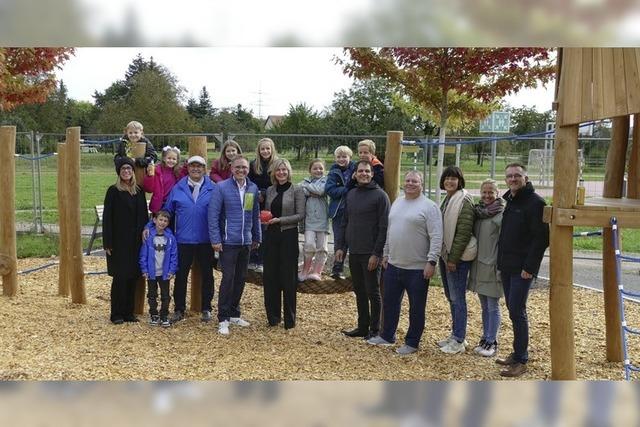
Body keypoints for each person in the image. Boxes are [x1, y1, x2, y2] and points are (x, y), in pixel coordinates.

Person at [367, 170, 442, 355]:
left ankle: (412, 342)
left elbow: (436, 236)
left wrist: (432, 261)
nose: (410, 184)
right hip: (393, 264)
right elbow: (390, 230)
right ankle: (387, 335)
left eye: (415, 181)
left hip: (417, 268)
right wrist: (385, 253)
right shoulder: (398, 202)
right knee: (390, 303)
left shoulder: (429, 207)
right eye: (407, 180)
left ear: (422, 184)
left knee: (416, 307)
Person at [496, 163, 549, 377]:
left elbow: (542, 238)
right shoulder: (510, 199)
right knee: (512, 309)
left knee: (518, 312)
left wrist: (530, 267)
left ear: (525, 177)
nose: (513, 179)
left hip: (522, 269)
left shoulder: (534, 203)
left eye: (517, 175)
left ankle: (521, 360)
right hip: (508, 266)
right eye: (509, 176)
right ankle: (517, 354)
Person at [335, 160, 390, 340]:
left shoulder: (381, 196)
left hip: (370, 253)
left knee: (373, 291)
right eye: (361, 171)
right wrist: (341, 247)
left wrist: (377, 253)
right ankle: (362, 326)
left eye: (367, 171)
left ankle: (375, 329)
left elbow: (384, 227)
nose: (364, 174)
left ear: (372, 174)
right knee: (359, 290)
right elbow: (345, 222)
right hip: (354, 251)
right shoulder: (351, 194)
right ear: (355, 174)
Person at [208, 155, 261, 336]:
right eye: (237, 167)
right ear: (231, 168)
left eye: (244, 168)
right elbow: (213, 215)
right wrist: (215, 239)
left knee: (240, 278)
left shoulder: (252, 188)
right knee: (228, 279)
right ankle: (223, 318)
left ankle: (234, 313)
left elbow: (255, 215)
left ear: (248, 169)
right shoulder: (221, 188)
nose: (241, 170)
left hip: (245, 241)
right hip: (228, 242)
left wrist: (256, 236)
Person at [161, 155, 217, 323]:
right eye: (192, 166)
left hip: (205, 240)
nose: (196, 169)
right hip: (183, 240)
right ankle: (179, 309)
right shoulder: (178, 188)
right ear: (188, 168)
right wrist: (157, 230)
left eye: (199, 166)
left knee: (207, 275)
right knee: (181, 275)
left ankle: (206, 308)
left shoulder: (213, 188)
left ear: (204, 169)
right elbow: (167, 212)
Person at [103, 157, 149, 324]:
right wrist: (107, 241)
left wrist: (146, 231)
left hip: (136, 241)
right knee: (120, 278)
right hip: (119, 241)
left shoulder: (138, 191)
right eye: (123, 169)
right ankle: (116, 313)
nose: (127, 172)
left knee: (133, 277)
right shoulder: (113, 191)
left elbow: (144, 214)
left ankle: (129, 312)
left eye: (129, 169)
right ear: (119, 172)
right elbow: (107, 218)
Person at [437, 166, 476, 354]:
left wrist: (453, 259)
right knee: (451, 297)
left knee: (457, 298)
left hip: (457, 257)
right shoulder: (449, 199)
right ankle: (455, 334)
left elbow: (463, 232)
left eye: (453, 179)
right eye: (447, 178)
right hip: (446, 255)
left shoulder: (464, 200)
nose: (450, 181)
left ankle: (459, 339)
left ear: (460, 181)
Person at [263, 158, 305, 329]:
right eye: (278, 170)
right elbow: (266, 211)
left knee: (288, 278)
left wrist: (280, 220)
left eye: (284, 170)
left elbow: (300, 215)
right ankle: (273, 318)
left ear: (289, 172)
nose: (281, 173)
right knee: (270, 276)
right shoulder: (270, 190)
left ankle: (290, 319)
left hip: (288, 235)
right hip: (271, 236)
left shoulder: (297, 190)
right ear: (274, 172)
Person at [468, 179, 505, 357]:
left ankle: (492, 341)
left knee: (492, 305)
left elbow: (505, 243)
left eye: (491, 192)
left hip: (492, 265)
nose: (487, 195)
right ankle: (485, 337)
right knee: (484, 306)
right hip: (479, 265)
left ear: (497, 193)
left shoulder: (501, 215)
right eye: (484, 192)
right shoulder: (480, 213)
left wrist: (500, 266)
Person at [139, 210, 178, 327]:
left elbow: (174, 256)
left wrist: (172, 270)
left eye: (165, 221)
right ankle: (154, 314)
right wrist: (144, 269)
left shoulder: (170, 238)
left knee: (165, 295)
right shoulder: (149, 237)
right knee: (152, 295)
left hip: (165, 273)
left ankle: (164, 315)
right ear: (155, 220)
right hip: (151, 272)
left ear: (168, 223)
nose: (162, 222)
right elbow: (143, 255)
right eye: (160, 219)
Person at [325, 145, 356, 280]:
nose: (341, 159)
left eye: (344, 156)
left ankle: (355, 269)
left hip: (354, 209)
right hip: (339, 210)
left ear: (350, 157)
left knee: (353, 239)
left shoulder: (355, 169)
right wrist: (346, 188)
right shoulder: (333, 172)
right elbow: (330, 190)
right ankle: (337, 268)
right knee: (339, 239)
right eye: (339, 157)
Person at [248, 137, 279, 273]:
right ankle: (251, 258)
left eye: (268, 148)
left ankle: (261, 260)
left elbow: (278, 183)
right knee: (251, 227)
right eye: (262, 148)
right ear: (258, 150)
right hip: (253, 198)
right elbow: (248, 181)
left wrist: (264, 194)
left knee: (265, 231)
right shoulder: (253, 164)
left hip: (269, 200)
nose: (265, 151)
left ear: (272, 149)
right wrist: (257, 193)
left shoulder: (277, 164)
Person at [298, 158, 329, 281]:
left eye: (321, 168)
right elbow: (300, 189)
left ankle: (317, 272)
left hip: (322, 219)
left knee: (322, 247)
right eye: (315, 168)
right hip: (309, 220)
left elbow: (321, 191)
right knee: (309, 244)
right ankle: (305, 270)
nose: (318, 170)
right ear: (310, 170)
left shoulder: (326, 181)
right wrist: (310, 189)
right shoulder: (306, 181)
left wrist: (308, 188)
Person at [142, 146, 184, 215]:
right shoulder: (156, 171)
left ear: (177, 161)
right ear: (164, 158)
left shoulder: (178, 172)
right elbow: (149, 189)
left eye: (174, 159)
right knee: (158, 224)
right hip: (159, 205)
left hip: (173, 205)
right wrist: (150, 176)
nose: (171, 161)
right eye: (169, 158)